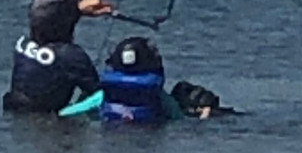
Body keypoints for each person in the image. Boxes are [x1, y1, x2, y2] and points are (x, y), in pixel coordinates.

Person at [2, 0, 114, 115]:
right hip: (49, 120)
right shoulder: (71, 56)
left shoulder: (22, 44)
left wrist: (76, 11)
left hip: (15, 114)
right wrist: (66, 114)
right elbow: (98, 95)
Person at [99, 36, 236, 123]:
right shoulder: (162, 98)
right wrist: (204, 117)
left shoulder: (102, 94)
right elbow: (178, 118)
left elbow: (82, 109)